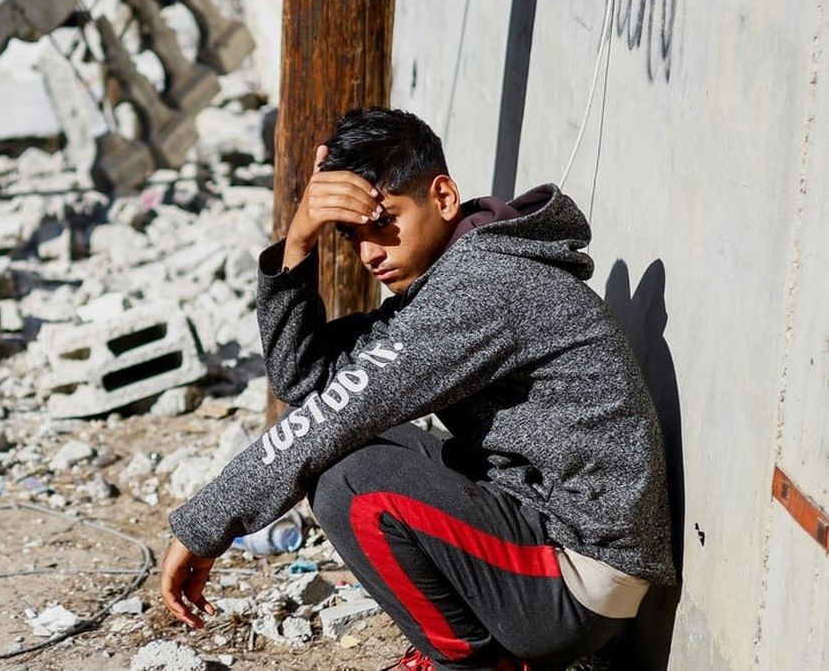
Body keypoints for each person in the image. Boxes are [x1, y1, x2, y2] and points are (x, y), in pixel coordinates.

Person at [159, 108, 676, 670]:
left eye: (385, 224)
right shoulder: (454, 281)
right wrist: (299, 240)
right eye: (354, 237)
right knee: (354, 450)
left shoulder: (482, 289)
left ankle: (472, 664)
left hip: (577, 580)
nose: (370, 254)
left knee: (348, 481)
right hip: (549, 543)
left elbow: (333, 414)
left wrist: (204, 526)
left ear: (444, 197)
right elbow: (306, 383)